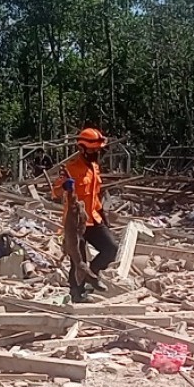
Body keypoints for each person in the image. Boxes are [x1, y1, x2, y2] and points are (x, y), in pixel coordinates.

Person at [52, 128, 118, 303]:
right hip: (75, 223)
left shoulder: (95, 168)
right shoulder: (70, 169)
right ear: (82, 149)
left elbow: (96, 195)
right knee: (77, 260)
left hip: (94, 219)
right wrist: (65, 186)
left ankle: (92, 274)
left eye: (98, 150)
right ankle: (76, 292)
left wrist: (103, 215)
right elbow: (55, 193)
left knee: (111, 248)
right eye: (92, 150)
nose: (96, 153)